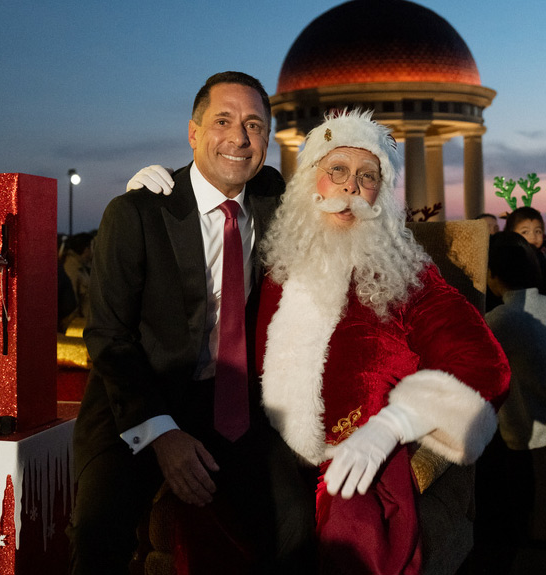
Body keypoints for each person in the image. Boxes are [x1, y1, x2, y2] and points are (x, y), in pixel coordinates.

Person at [67, 71, 315, 575]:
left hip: (229, 401)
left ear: (268, 138)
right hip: (138, 398)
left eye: (254, 125)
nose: (239, 139)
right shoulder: (136, 212)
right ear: (193, 132)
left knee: (297, 527)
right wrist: (162, 434)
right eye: (222, 121)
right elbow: (108, 338)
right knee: (99, 531)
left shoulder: (271, 197)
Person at [252, 109, 510, 575]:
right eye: (338, 171)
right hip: (270, 446)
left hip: (360, 452)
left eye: (367, 176)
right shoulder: (276, 263)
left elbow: (484, 363)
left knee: (354, 532)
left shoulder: (409, 276)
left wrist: (390, 426)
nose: (351, 186)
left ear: (381, 193)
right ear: (314, 181)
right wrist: (162, 190)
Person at [473, 231, 546, 574]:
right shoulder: (540, 305)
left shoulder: (502, 319)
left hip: (530, 434)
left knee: (532, 519)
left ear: (493, 275)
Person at [62, 232, 94, 321]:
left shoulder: (83, 267)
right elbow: (70, 304)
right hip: (77, 323)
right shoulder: (72, 269)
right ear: (85, 249)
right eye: (92, 246)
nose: (93, 250)